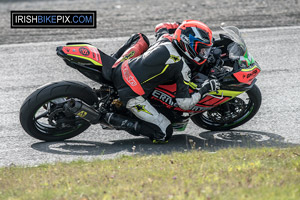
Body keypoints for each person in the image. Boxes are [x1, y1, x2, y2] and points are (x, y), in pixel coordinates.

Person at [104, 20, 220, 143]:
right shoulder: (182, 68)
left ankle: (113, 59)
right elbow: (184, 103)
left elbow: (161, 26)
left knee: (140, 38)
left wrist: (180, 26)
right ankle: (110, 118)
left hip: (121, 67)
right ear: (188, 45)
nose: (204, 54)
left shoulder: (165, 38)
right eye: (202, 50)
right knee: (164, 133)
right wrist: (205, 88)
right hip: (131, 93)